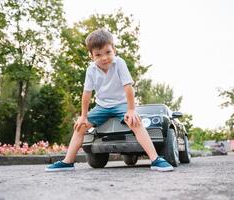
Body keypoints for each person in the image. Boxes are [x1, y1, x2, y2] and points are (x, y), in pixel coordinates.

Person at [45, 28, 173, 172]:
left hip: (121, 104)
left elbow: (128, 87)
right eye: (98, 55)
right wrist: (83, 116)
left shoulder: (120, 63)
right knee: (80, 126)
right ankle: (67, 162)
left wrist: (131, 110)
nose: (104, 58)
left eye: (108, 52)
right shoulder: (91, 70)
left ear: (114, 50)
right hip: (102, 106)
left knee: (135, 122)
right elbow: (86, 93)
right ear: (91, 56)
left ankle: (155, 159)